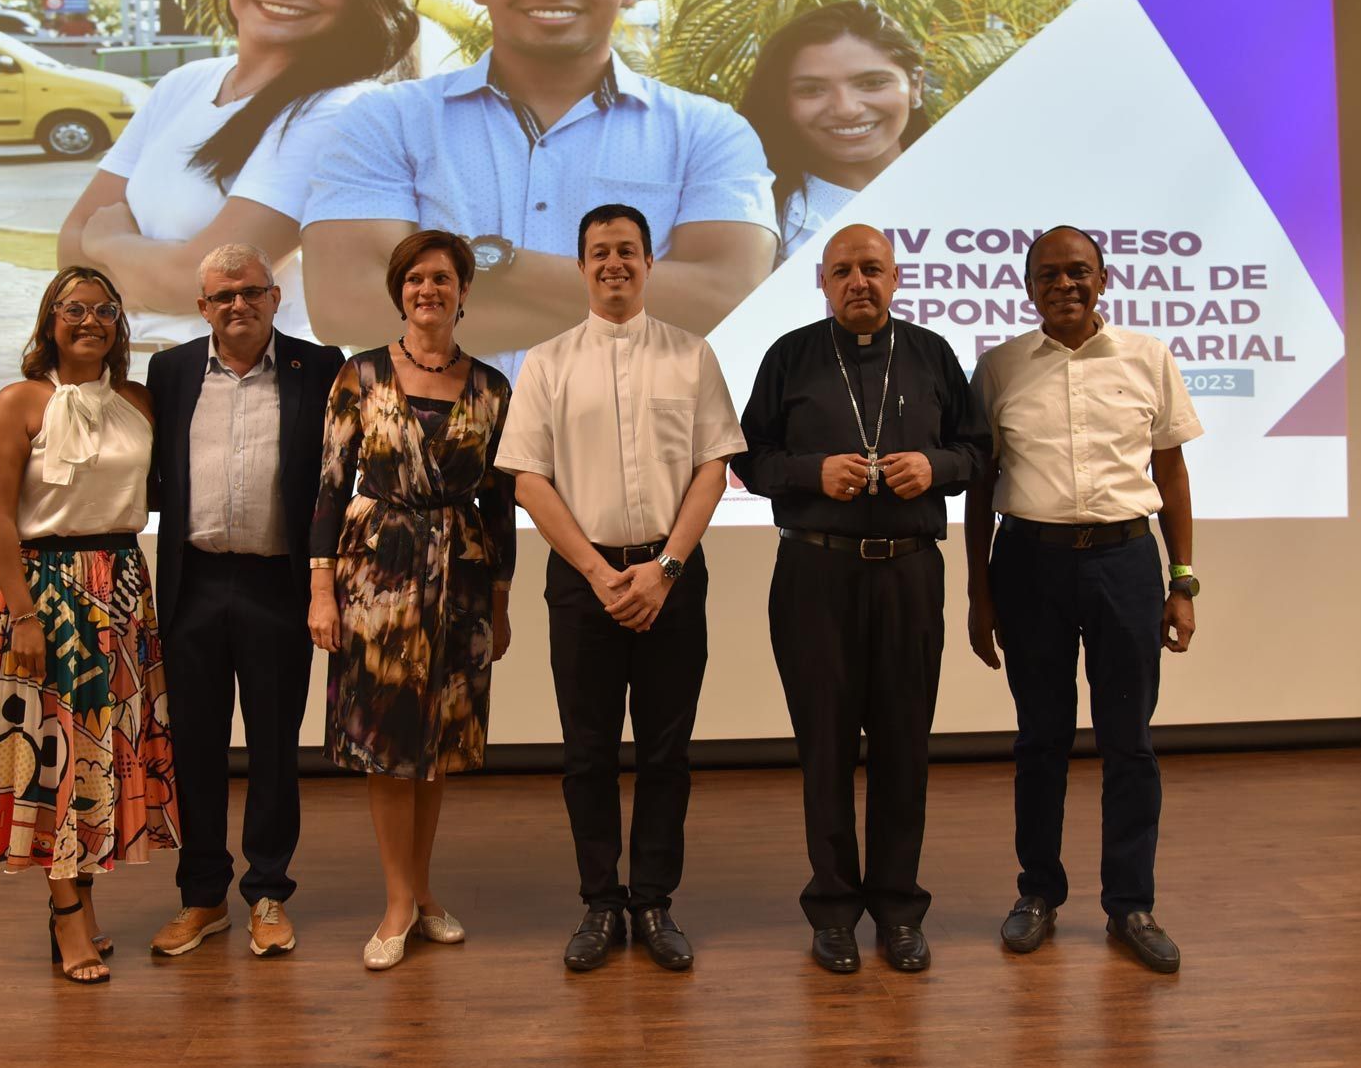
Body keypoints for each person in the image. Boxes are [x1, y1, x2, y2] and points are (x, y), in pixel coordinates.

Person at [302, 0, 777, 369]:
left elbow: (727, 301)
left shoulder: (707, 130)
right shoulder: (389, 120)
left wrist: (493, 263)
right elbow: (345, 307)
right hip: (434, 448)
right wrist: (626, 309)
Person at [734, 224, 990, 974]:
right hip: (816, 573)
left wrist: (933, 467)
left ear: (896, 277)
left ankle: (900, 910)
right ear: (821, 280)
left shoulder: (934, 354)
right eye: (842, 270)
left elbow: (978, 453)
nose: (858, 283)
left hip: (909, 573)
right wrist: (812, 473)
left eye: (871, 269)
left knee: (906, 747)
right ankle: (834, 911)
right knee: (826, 747)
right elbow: (748, 456)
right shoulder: (791, 356)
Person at [496, 204, 744, 973]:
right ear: (580, 266)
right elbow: (528, 480)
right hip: (584, 582)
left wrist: (664, 568)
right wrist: (602, 574)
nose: (614, 263)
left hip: (672, 578)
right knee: (588, 752)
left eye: (628, 251)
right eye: (599, 251)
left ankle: (655, 901)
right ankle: (602, 902)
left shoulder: (692, 356)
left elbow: (713, 467)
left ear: (647, 263)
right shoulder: (545, 361)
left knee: (667, 752)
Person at [964, 225, 1203, 975]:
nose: (1063, 285)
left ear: (1104, 279)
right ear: (1027, 286)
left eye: (1078, 272)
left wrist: (1183, 580)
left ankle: (1131, 904)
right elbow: (978, 489)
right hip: (1028, 564)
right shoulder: (998, 367)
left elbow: (1171, 476)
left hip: (1126, 563)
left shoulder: (1147, 358)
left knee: (1129, 742)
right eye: (1048, 275)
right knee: (1041, 740)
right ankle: (1038, 894)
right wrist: (979, 591)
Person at [0, 266, 178, 985]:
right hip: (44, 594)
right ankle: (67, 918)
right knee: (51, 757)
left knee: (100, 754)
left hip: (119, 590)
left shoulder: (138, 402)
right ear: (49, 320)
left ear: (119, 324)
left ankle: (80, 895)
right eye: (72, 308)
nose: (90, 320)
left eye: (104, 309)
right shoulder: (20, 401)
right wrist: (22, 610)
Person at [307, 230, 516, 971]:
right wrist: (321, 592)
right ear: (400, 291)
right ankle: (397, 902)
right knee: (389, 745)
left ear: (464, 291)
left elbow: (499, 503)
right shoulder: (357, 377)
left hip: (460, 579)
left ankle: (422, 892)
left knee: (437, 748)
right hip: (378, 581)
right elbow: (331, 490)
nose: (429, 290)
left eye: (444, 279)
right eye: (416, 279)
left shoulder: (493, 388)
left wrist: (500, 599)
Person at [59, 0, 420, 351]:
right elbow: (71, 258)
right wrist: (153, 269)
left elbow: (206, 282)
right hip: (147, 379)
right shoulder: (186, 82)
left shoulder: (341, 112)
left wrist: (108, 241)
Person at [142, 244, 343, 959]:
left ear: (275, 297)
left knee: (273, 749)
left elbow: (332, 482)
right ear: (202, 307)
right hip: (194, 585)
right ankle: (202, 899)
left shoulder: (317, 368)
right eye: (222, 295)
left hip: (277, 587)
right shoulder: (168, 372)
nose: (238, 305)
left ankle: (266, 894)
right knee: (194, 747)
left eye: (251, 291)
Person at [739, 1, 926, 263]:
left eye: (872, 83)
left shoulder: (978, 196)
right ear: (783, 101)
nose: (846, 109)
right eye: (812, 89)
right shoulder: (751, 220)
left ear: (915, 85)